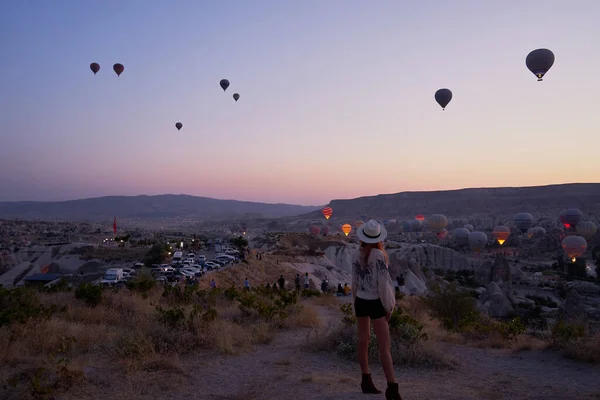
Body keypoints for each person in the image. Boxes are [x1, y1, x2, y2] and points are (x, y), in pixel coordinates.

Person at [352, 219, 401, 400]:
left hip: (361, 301)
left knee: (363, 341)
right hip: (375, 302)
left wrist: (354, 302)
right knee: (384, 347)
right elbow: (384, 285)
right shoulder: (379, 255)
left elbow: (354, 282)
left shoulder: (355, 254)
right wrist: (389, 306)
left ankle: (366, 380)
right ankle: (392, 387)